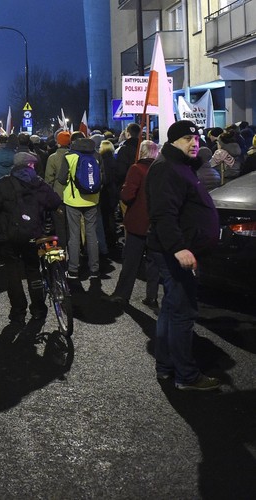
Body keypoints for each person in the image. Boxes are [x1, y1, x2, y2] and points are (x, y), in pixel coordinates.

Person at [146, 120, 221, 391]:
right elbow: (163, 213)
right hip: (173, 252)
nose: (195, 143)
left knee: (171, 309)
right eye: (189, 139)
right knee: (182, 313)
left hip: (175, 249)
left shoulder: (178, 166)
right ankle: (186, 375)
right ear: (174, 140)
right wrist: (179, 247)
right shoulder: (167, 168)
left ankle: (166, 366)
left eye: (198, 139)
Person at [0, 152, 62, 326]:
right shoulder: (38, 183)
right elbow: (54, 202)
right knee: (33, 269)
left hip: (10, 236)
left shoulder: (3, 184)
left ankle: (18, 312)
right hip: (34, 234)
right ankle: (38, 309)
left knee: (12, 273)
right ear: (30, 166)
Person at [107, 140, 160, 307]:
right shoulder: (161, 169)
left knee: (131, 262)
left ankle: (122, 294)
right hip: (156, 223)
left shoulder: (136, 169)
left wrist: (124, 190)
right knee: (153, 263)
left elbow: (127, 196)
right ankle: (152, 296)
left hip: (138, 222)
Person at [58, 132, 102, 280]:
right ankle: (94, 269)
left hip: (73, 201)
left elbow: (62, 179)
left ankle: (73, 270)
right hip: (92, 200)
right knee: (91, 234)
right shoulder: (96, 156)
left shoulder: (69, 157)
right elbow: (103, 177)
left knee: (74, 235)